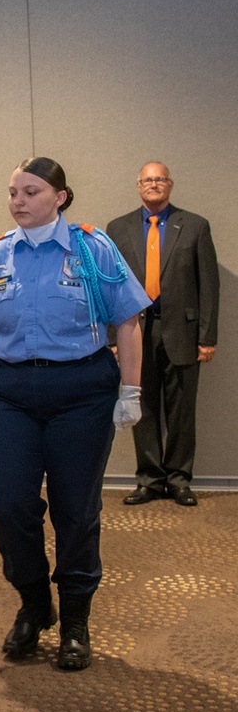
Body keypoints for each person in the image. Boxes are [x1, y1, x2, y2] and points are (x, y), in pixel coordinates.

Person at [0, 157, 149, 671]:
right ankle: (34, 603)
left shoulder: (93, 249)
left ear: (60, 197)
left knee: (75, 511)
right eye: (13, 191)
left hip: (80, 391)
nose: (18, 200)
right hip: (12, 394)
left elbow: (128, 321)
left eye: (31, 191)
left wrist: (130, 390)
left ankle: (76, 621)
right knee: (8, 506)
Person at [106, 162, 220, 507]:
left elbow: (209, 286)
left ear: (170, 184)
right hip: (135, 331)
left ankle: (179, 479)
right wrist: (113, 338)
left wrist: (207, 336)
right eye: (147, 180)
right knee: (142, 406)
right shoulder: (118, 228)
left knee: (182, 411)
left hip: (183, 331)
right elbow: (110, 287)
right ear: (138, 185)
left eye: (160, 179)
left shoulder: (196, 226)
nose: (153, 184)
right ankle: (150, 480)